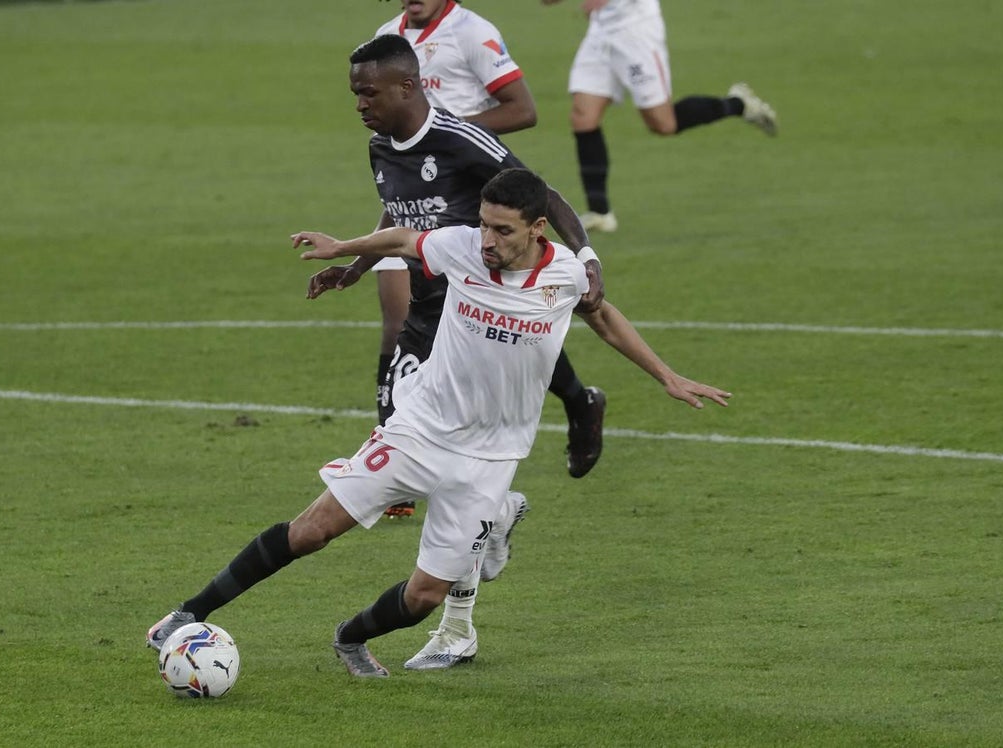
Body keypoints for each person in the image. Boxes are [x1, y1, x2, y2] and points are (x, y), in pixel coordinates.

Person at [147, 167, 731, 679]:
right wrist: (344, 250)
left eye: (503, 230)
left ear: (537, 230)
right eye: (483, 224)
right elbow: (403, 235)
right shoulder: (459, 247)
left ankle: (351, 638)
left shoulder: (565, 277)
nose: (487, 240)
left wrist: (666, 375)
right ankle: (187, 614)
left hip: (491, 458)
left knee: (426, 595)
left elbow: (603, 319)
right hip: (420, 429)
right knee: (311, 530)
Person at [306, 32, 606, 670]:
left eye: (367, 92)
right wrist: (354, 267)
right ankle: (491, 520)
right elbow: (398, 218)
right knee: (424, 466)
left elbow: (538, 185)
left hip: (474, 305)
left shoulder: (464, 100)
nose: (359, 102)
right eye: (355, 93)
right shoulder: (380, 143)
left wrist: (585, 253)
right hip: (426, 312)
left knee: (439, 471)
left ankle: (458, 625)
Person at [369, 3, 606, 517]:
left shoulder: (471, 32)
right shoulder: (387, 39)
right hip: (412, 206)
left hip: (476, 211)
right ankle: (394, 468)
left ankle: (577, 399)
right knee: (398, 322)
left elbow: (522, 110)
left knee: (505, 330)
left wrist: (445, 132)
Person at [542, 0, 779, 232]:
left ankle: (739, 104)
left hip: (635, 30)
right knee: (583, 116)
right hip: (601, 30)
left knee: (663, 123)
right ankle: (600, 212)